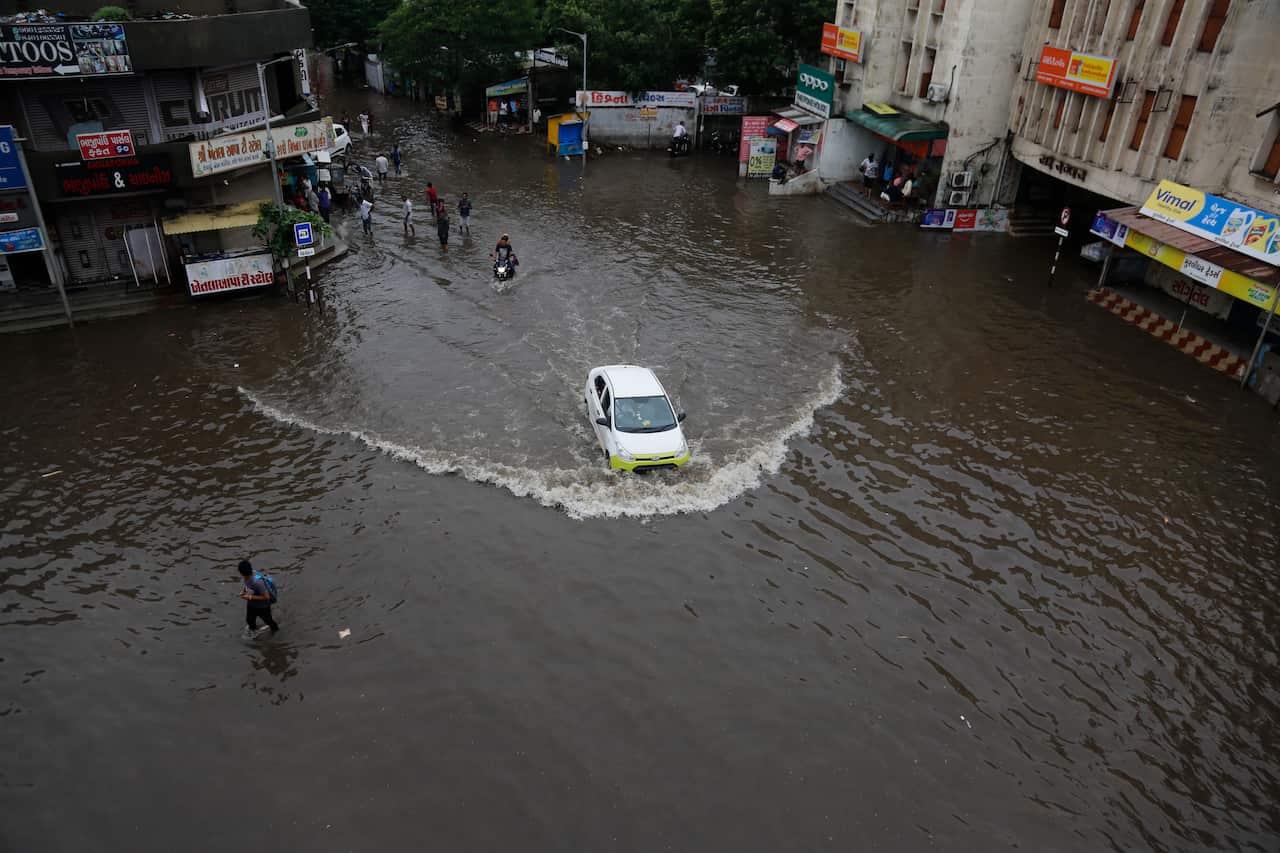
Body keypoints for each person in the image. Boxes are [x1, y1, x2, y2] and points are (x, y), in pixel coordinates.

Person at [238, 560, 279, 635]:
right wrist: (244, 591)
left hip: (263, 607)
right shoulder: (247, 576)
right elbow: (248, 585)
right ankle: (253, 634)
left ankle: (276, 633)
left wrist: (250, 597)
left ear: (242, 573)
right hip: (252, 604)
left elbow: (266, 597)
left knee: (269, 622)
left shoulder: (258, 583)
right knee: (250, 620)